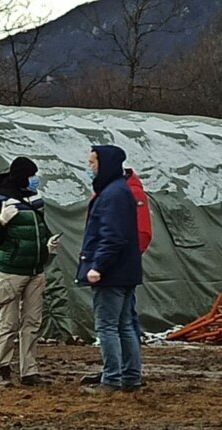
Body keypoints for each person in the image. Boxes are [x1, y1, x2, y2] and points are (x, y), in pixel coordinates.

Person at [0, 157, 60, 388]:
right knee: (8, 323)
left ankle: (29, 370)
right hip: (11, 272)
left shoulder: (35, 199)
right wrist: (2, 222)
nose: (35, 180)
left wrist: (48, 247)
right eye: (31, 176)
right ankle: (2, 368)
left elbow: (40, 228)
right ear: (21, 176)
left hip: (35, 270)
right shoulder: (1, 202)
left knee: (32, 322)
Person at [76, 145, 143, 394]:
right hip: (126, 272)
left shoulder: (111, 195)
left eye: (92, 162)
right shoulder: (120, 192)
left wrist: (97, 266)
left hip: (111, 273)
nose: (89, 167)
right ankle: (130, 377)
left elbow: (112, 236)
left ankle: (112, 379)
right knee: (125, 325)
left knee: (107, 326)